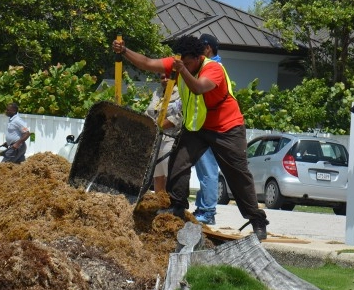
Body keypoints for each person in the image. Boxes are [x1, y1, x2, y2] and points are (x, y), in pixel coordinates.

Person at [112, 34, 269, 240]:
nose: (184, 65)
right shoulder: (180, 62)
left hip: (227, 128)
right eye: (181, 62)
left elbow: (198, 88)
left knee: (238, 175)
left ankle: (257, 220)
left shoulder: (213, 69)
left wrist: (181, 69)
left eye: (188, 63)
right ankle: (177, 206)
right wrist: (124, 51)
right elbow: (149, 63)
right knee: (178, 162)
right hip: (197, 127)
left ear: (199, 57)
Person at [193, 34, 222, 225]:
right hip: (203, 126)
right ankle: (203, 208)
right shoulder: (208, 67)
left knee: (208, 170)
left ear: (208, 48)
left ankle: (207, 211)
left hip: (209, 126)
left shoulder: (213, 68)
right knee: (204, 170)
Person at [144, 76, 181, 193]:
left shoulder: (181, 93)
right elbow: (149, 111)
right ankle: (159, 203)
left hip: (170, 137)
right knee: (157, 174)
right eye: (162, 77)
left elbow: (178, 117)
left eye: (168, 77)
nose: (165, 79)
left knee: (167, 172)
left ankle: (169, 204)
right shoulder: (157, 92)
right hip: (154, 137)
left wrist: (158, 126)